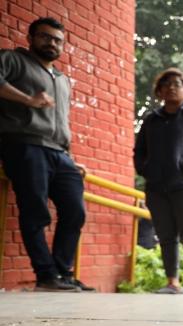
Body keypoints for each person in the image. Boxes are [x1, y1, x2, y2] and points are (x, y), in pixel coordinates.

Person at [0, 17, 93, 292]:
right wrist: (28, 100)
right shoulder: (13, 60)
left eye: (57, 40)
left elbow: (62, 121)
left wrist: (70, 156)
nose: (51, 43)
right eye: (45, 37)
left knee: (75, 211)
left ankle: (62, 273)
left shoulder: (62, 80)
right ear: (30, 38)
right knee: (35, 211)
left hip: (60, 153)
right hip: (25, 145)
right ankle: (46, 275)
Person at [133, 68, 183, 294]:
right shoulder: (151, 120)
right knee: (166, 236)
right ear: (159, 92)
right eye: (166, 84)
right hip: (156, 188)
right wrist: (143, 169)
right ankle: (172, 282)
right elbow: (139, 150)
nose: (171, 88)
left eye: (177, 84)